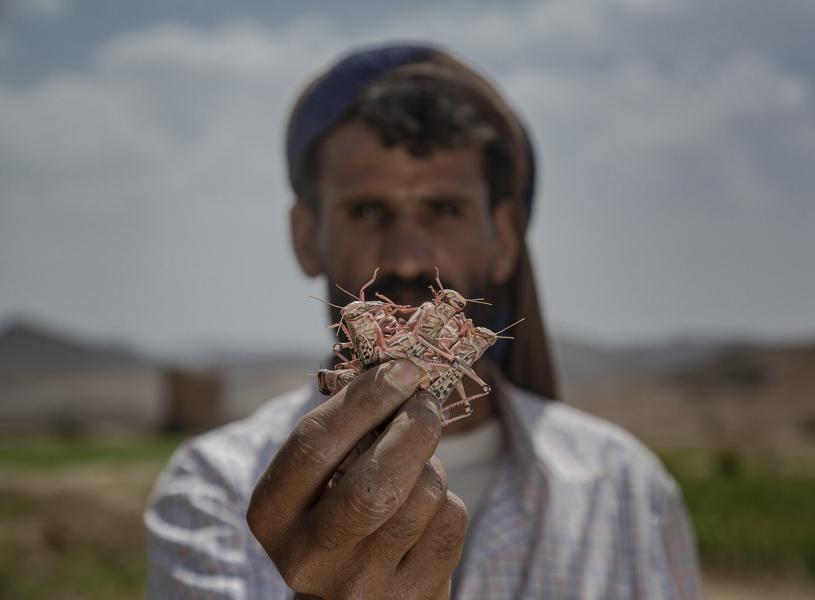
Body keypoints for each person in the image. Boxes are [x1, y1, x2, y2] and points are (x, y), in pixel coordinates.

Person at [145, 43, 701, 599]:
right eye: (366, 211)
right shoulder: (216, 491)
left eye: (443, 209)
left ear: (504, 239)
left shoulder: (629, 492)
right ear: (304, 236)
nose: (407, 259)